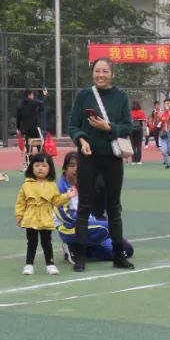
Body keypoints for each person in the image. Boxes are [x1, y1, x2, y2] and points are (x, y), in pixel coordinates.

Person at [66, 57, 134, 271]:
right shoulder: (84, 96)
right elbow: (72, 126)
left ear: (112, 74)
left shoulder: (121, 97)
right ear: (93, 73)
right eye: (97, 71)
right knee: (84, 206)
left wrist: (108, 127)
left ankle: (118, 256)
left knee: (113, 207)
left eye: (105, 71)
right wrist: (82, 139)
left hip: (113, 158)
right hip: (88, 157)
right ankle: (79, 256)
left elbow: (127, 126)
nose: (101, 75)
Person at [55, 151, 135, 261]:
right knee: (107, 227)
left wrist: (95, 220)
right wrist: (89, 221)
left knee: (126, 250)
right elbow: (66, 216)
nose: (76, 169)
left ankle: (78, 249)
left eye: (79, 165)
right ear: (65, 168)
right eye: (72, 165)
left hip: (89, 224)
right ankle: (75, 245)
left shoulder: (86, 183)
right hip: (68, 228)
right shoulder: (60, 187)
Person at [15, 152, 75, 276]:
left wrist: (67, 196)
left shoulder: (52, 186)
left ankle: (50, 264)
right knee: (31, 242)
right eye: (37, 165)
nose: (40, 168)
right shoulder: (26, 185)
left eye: (44, 165)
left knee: (46, 242)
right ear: (32, 168)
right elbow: (20, 202)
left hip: (46, 219)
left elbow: (56, 200)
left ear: (50, 169)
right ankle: (29, 264)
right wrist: (19, 216)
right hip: (31, 219)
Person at [15, 89, 45, 163]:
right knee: (40, 145)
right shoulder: (34, 102)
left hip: (26, 129)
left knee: (29, 146)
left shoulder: (20, 105)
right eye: (32, 95)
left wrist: (18, 128)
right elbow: (42, 105)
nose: (33, 96)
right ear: (29, 95)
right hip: (35, 128)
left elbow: (18, 118)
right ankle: (43, 161)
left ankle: (28, 163)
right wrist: (44, 95)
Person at [156, 98, 170, 168]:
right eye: (165, 103)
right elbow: (159, 120)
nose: (166, 105)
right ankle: (167, 163)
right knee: (164, 151)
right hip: (163, 133)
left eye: (168, 104)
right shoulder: (160, 113)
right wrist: (163, 112)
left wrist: (167, 110)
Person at [129, 99, 147, 164]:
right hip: (139, 130)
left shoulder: (130, 112)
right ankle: (139, 161)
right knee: (139, 145)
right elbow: (145, 122)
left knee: (132, 145)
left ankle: (133, 161)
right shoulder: (141, 112)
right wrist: (145, 131)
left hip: (131, 130)